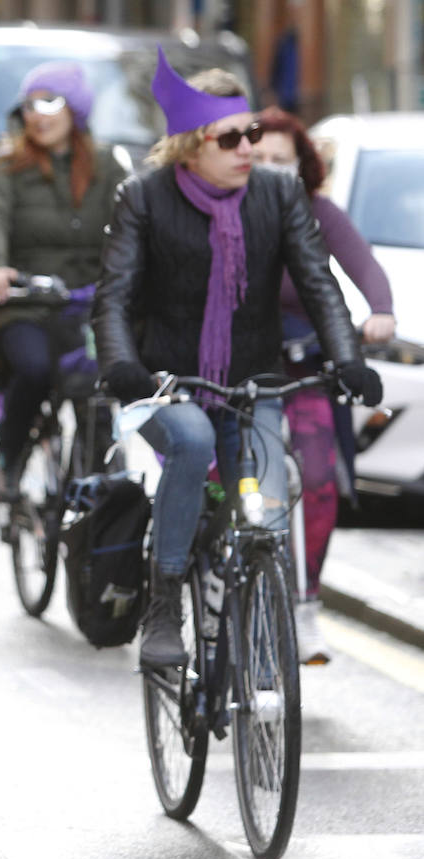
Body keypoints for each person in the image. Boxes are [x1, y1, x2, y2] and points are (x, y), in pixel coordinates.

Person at [93, 50, 381, 668]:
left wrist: (349, 359)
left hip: (253, 383)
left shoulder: (278, 195)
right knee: (193, 443)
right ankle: (165, 600)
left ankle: (255, 632)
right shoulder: (143, 198)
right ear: (191, 146)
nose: (248, 147)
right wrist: (123, 366)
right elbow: (113, 298)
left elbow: (319, 284)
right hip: (164, 382)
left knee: (266, 516)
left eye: (252, 132)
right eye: (231, 138)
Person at [252, 106, 396, 664]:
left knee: (317, 478)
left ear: (301, 166)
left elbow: (363, 266)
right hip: (239, 367)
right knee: (232, 481)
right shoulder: (224, 212)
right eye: (258, 157)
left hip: (304, 366)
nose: (266, 168)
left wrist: (380, 310)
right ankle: (215, 577)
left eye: (279, 161)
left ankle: (304, 603)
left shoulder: (317, 213)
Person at [0, 61, 128, 501]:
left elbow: (133, 219)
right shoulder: (6, 169)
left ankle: (101, 480)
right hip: (23, 300)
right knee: (35, 368)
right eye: (30, 105)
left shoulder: (105, 166)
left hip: (88, 301)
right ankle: (9, 454)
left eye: (49, 103)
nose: (38, 115)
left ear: (74, 110)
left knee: (107, 381)